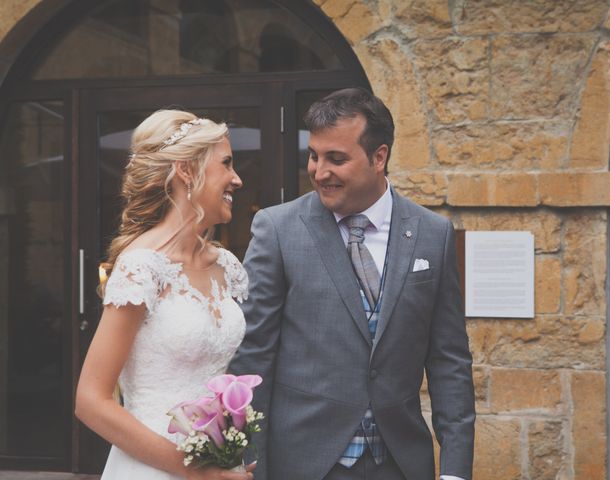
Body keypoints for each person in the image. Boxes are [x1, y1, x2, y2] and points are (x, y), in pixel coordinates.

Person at [229, 88, 475, 480]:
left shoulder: (433, 234)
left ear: (379, 157)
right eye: (314, 156)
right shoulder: (278, 229)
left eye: (336, 159)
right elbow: (253, 358)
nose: (319, 171)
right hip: (303, 465)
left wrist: (455, 472)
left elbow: (449, 362)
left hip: (399, 465)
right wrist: (247, 465)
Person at [75, 110, 255, 480]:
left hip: (218, 465)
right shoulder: (142, 267)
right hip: (153, 467)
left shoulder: (225, 265)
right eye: (226, 164)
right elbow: (90, 402)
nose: (236, 179)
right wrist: (194, 471)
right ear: (186, 171)